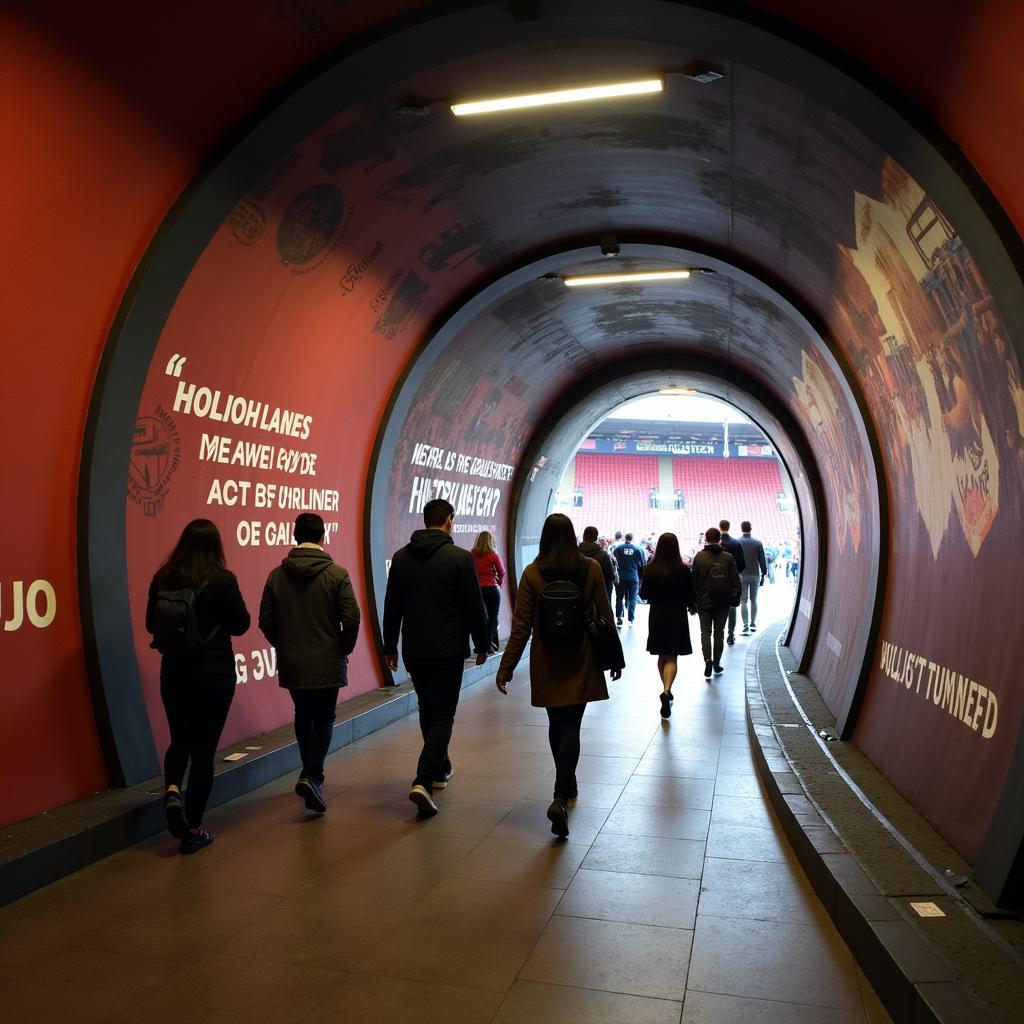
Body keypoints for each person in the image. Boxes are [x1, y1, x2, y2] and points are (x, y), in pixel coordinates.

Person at [495, 513, 621, 838]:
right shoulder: (590, 569)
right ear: (573, 537)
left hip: (546, 659)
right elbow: (605, 616)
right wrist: (614, 657)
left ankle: (565, 784)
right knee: (572, 726)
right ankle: (561, 794)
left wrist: (506, 668)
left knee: (556, 724)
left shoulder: (533, 573)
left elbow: (521, 627)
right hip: (580, 657)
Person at [147, 519, 250, 854]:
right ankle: (193, 828)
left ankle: (173, 789)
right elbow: (242, 624)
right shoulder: (223, 580)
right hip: (214, 672)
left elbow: (152, 623)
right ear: (215, 546)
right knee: (204, 751)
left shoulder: (163, 578)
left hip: (174, 672)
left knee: (180, 741)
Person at [382, 498, 489, 818]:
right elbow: (474, 606)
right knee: (443, 714)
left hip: (415, 649)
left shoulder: (401, 558)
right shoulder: (459, 558)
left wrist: (390, 647)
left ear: (425, 520)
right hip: (448, 649)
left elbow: (392, 607)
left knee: (427, 709)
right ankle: (423, 780)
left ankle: (440, 768)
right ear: (449, 520)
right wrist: (482, 644)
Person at [259, 512, 361, 814]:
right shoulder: (337, 574)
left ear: (294, 537)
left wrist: (285, 645)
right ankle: (312, 774)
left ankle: (311, 775)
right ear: (323, 536)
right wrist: (343, 647)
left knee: (303, 715)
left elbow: (265, 620)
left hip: (294, 660)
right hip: (328, 659)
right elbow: (351, 617)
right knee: (325, 716)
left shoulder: (276, 576)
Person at [639, 533, 696, 719]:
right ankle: (666, 690)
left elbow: (644, 594)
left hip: (657, 615)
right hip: (677, 615)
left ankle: (666, 690)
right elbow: (690, 596)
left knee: (661, 654)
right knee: (672, 656)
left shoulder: (650, 569)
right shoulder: (683, 570)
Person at [691, 527, 741, 679]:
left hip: (703, 601)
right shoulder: (728, 557)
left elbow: (693, 582)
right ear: (719, 538)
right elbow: (736, 581)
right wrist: (733, 597)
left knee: (705, 632)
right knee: (719, 633)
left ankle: (707, 660)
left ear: (706, 538)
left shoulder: (699, 557)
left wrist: (693, 603)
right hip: (722, 602)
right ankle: (717, 663)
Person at [471, 530, 505, 652]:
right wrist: (499, 584)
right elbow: (502, 573)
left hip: (478, 591)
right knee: (493, 617)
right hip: (492, 590)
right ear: (491, 542)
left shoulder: (472, 554)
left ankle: (483, 645)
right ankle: (489, 644)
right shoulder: (493, 555)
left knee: (480, 618)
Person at [736, 521, 768, 635]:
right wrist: (764, 573)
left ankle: (745, 626)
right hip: (755, 575)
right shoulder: (758, 543)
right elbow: (762, 560)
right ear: (751, 528)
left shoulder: (737, 542)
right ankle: (753, 624)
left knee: (743, 601)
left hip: (742, 575)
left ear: (741, 528)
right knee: (754, 600)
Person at [718, 520, 746, 645]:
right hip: (732, 580)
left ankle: (719, 633)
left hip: (717, 579)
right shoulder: (736, 543)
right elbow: (742, 565)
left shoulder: (715, 543)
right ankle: (731, 634)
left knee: (718, 607)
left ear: (720, 527)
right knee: (732, 608)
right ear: (729, 527)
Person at [613, 532, 646, 626]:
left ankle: (619, 617)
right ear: (632, 538)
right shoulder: (638, 549)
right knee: (632, 598)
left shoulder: (618, 549)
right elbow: (643, 564)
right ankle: (631, 618)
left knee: (619, 598)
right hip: (633, 577)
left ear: (624, 538)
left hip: (621, 577)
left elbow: (614, 561)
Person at [579, 525, 616, 605]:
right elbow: (611, 575)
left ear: (583, 536)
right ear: (596, 538)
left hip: (578, 594)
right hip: (598, 595)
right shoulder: (603, 555)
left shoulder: (574, 553)